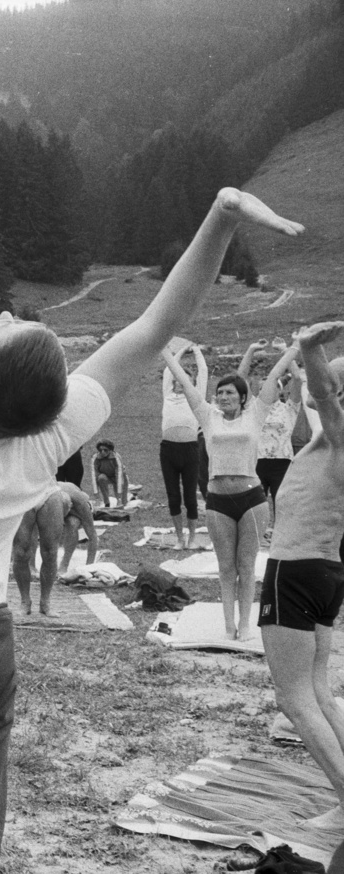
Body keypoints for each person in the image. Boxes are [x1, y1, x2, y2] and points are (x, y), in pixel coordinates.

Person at [0, 163, 302, 874]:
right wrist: (221, 217)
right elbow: (156, 329)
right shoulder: (44, 438)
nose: (11, 313)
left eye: (4, 327)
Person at [256, 322, 344, 852]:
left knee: (293, 697)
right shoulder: (325, 444)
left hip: (297, 569)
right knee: (317, 690)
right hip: (326, 571)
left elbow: (323, 396)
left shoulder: (339, 435)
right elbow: (320, 396)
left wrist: (311, 349)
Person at [163, 339, 299, 641]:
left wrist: (295, 348)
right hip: (218, 500)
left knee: (246, 565)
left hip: (251, 499)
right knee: (226, 567)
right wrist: (164, 351)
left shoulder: (256, 414)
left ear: (241, 398)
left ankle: (246, 623)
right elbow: (185, 383)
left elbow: (276, 373)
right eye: (219, 392)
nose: (223, 396)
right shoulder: (207, 415)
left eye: (229, 393)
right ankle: (228, 623)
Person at [11, 482, 99, 617]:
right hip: (25, 489)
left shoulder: (79, 502)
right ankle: (25, 601)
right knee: (20, 551)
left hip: (49, 492)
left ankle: (45, 602)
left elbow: (93, 536)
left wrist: (89, 568)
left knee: (51, 551)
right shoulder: (65, 496)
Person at [159, 341, 207, 548]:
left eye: (185, 379)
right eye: (178, 379)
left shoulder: (196, 397)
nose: (180, 381)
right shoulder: (168, 395)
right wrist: (179, 351)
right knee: (173, 495)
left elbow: (203, 371)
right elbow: (169, 369)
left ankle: (193, 536)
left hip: (190, 450)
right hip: (168, 450)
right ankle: (179, 537)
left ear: (192, 383)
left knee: (190, 496)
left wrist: (195, 350)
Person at [256, 365, 302, 529]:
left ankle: (280, 536)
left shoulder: (289, 408)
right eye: (261, 388)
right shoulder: (254, 409)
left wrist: (287, 352)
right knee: (256, 505)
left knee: (281, 503)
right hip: (257, 462)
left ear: (280, 390)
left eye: (270, 386)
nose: (265, 390)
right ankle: (258, 536)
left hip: (281, 463)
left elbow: (297, 378)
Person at [92, 439, 127, 508]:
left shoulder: (116, 457)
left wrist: (119, 498)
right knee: (101, 478)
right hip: (105, 477)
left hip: (118, 477)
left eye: (105, 450)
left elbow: (119, 476)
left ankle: (125, 497)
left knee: (123, 504)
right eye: (100, 450)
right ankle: (107, 502)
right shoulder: (95, 458)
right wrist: (97, 498)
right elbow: (94, 476)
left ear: (110, 450)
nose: (102, 452)